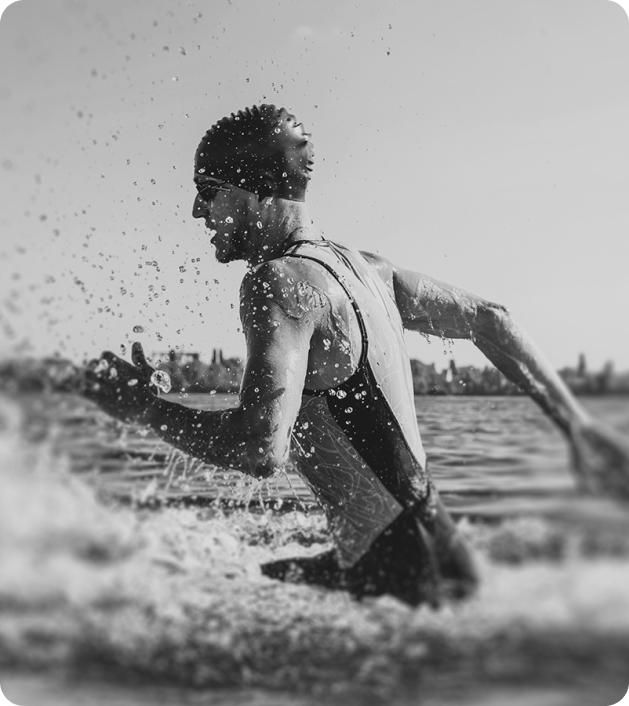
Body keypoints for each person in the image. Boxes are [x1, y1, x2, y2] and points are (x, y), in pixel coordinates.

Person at [83, 104, 629, 607]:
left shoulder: (280, 284)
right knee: (261, 573)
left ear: (255, 190)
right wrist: (577, 425)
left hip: (398, 577)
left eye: (209, 190)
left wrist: (146, 409)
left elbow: (259, 448)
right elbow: (492, 319)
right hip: (445, 553)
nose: (196, 210)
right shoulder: (368, 270)